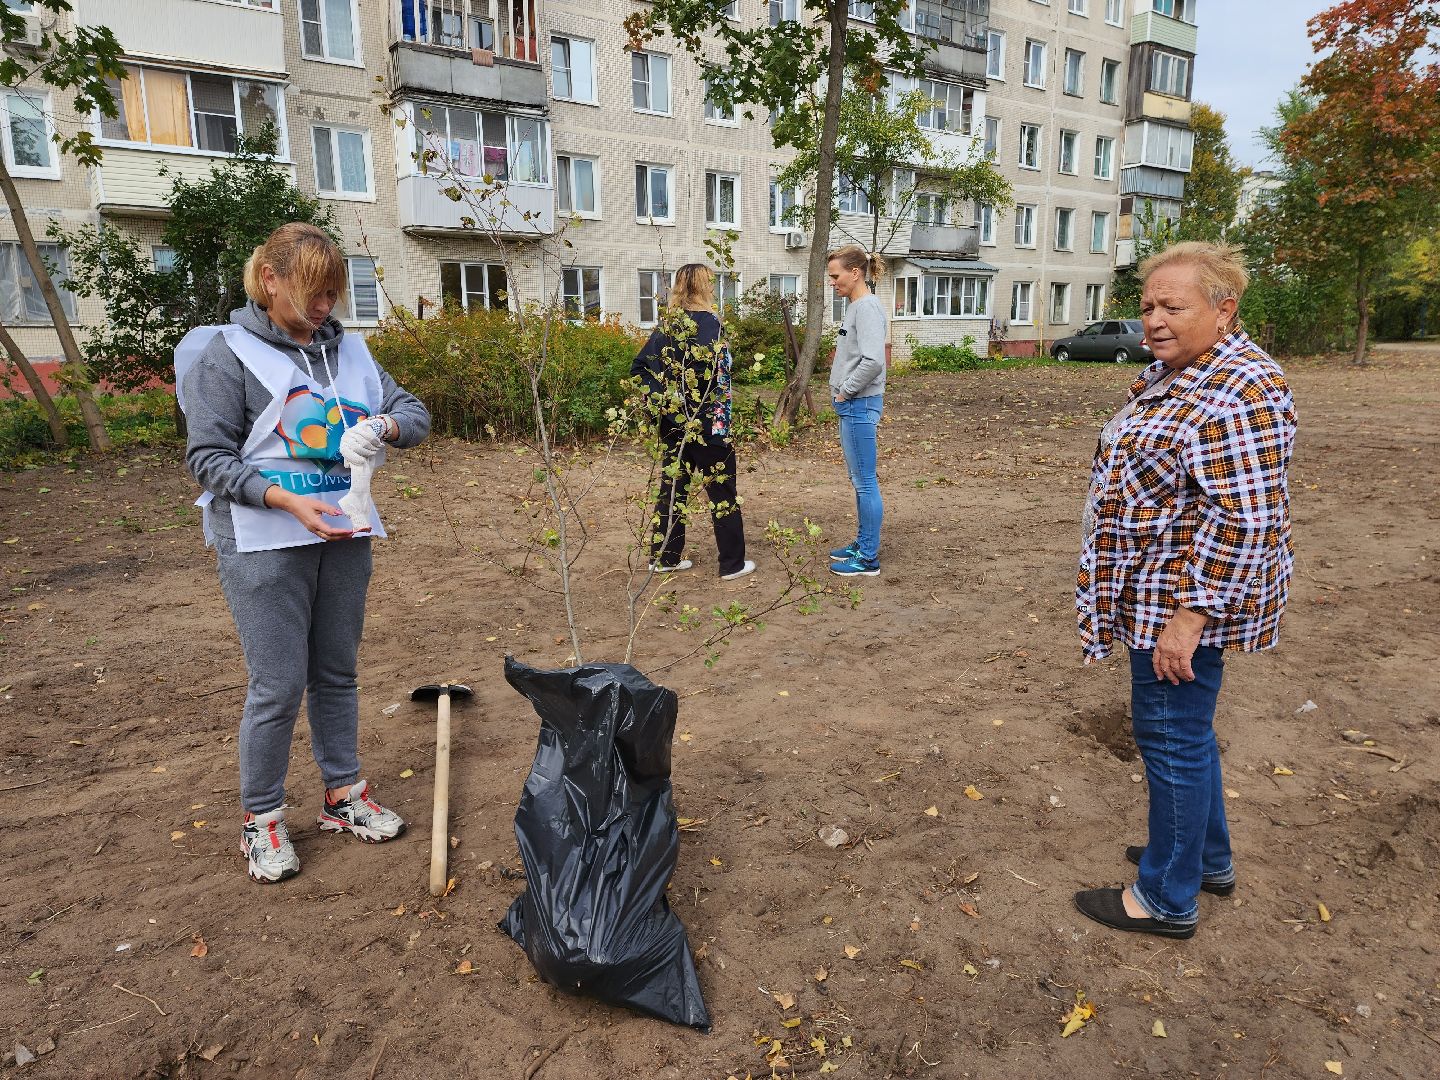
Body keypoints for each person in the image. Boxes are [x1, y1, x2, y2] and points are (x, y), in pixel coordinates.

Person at [178, 223, 431, 884]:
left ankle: (342, 796)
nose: (324, 308)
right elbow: (207, 459)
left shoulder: (351, 354)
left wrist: (386, 424)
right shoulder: (228, 356)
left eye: (332, 294)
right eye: (311, 292)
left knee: (338, 673)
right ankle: (261, 819)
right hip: (265, 544)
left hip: (344, 537)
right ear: (270, 280)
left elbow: (414, 411)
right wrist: (284, 500)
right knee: (278, 683)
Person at [1073, 242, 1295, 938]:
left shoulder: (1241, 390)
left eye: (1174, 306)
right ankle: (1204, 859)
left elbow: (1245, 521)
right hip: (1158, 589)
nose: (1155, 320)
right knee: (1187, 734)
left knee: (1169, 735)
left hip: (1178, 600)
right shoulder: (1183, 372)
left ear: (1223, 309)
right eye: (1148, 306)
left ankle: (1166, 898)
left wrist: (1188, 619)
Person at [630, 262, 754, 580]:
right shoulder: (711, 323)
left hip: (674, 425)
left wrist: (665, 404)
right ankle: (732, 564)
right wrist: (710, 417)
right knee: (722, 491)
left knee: (673, 488)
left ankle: (665, 558)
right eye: (710, 283)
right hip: (710, 427)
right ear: (703, 287)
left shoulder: (668, 325)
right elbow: (719, 376)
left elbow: (640, 369)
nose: (713, 288)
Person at [826, 245, 887, 578]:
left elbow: (874, 361)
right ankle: (863, 543)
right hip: (853, 406)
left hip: (859, 404)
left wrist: (845, 391)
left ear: (855, 272)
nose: (833, 282)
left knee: (865, 483)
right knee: (859, 480)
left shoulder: (866, 308)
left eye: (836, 276)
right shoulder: (855, 307)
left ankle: (867, 558)